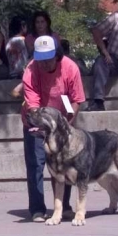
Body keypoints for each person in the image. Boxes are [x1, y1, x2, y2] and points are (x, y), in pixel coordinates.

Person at [22, 35, 85, 222]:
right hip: (37, 122)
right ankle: (37, 209)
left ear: (56, 55)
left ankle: (64, 207)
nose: (43, 64)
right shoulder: (30, 70)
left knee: (65, 164)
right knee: (36, 164)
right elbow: (33, 107)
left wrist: (66, 125)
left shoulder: (70, 68)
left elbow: (76, 100)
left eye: (48, 59)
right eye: (40, 59)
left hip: (64, 122)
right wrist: (42, 127)